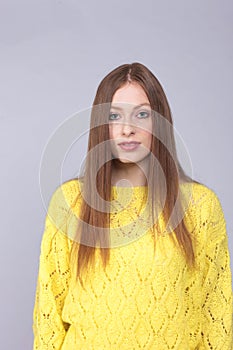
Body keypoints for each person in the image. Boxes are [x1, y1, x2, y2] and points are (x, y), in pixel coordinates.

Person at [33, 62, 233, 349]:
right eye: (115, 116)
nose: (127, 129)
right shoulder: (70, 202)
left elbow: (216, 314)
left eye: (142, 114)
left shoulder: (200, 206)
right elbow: (48, 312)